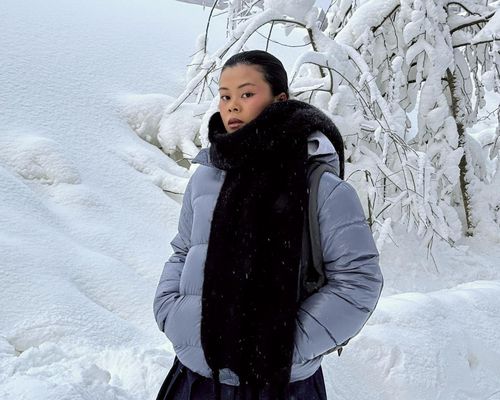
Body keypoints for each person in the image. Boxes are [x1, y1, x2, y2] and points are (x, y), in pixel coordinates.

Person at [153, 50, 384, 400]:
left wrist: (286, 346)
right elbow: (183, 250)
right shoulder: (206, 178)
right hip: (196, 377)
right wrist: (172, 312)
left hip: (279, 385)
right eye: (225, 95)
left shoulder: (320, 186)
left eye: (247, 94)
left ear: (280, 99)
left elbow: (358, 281)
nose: (232, 106)